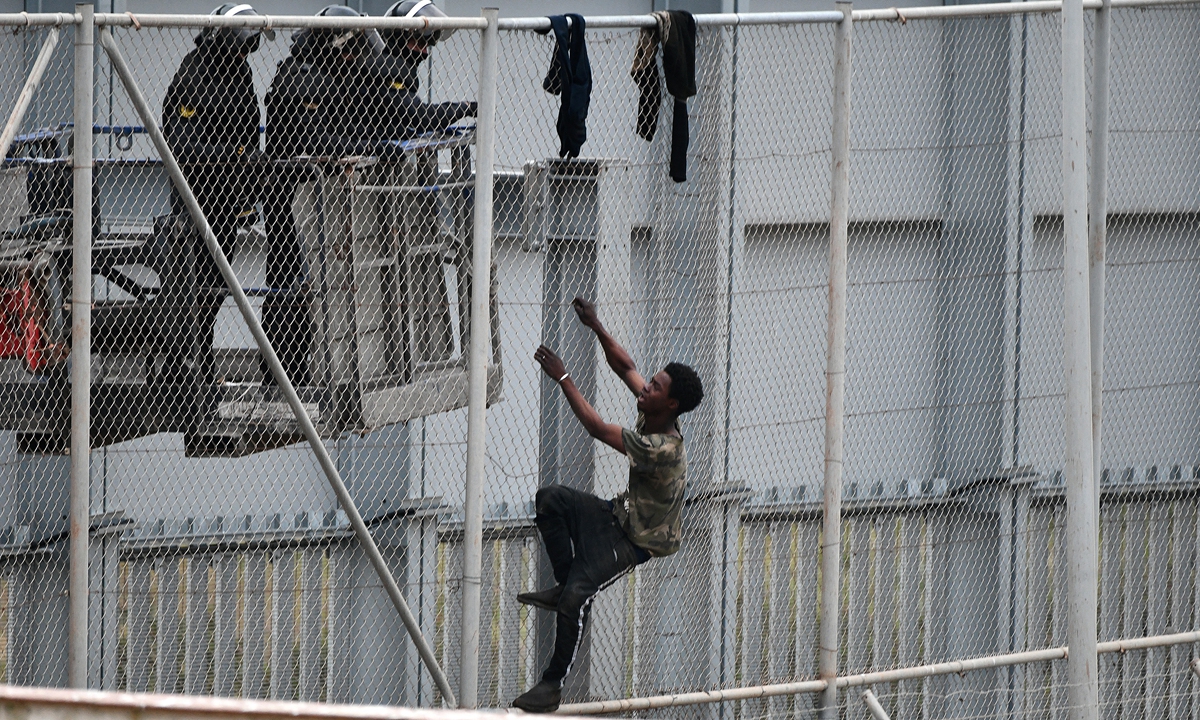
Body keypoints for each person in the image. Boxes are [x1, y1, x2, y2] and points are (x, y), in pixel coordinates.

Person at [514, 297, 704, 713]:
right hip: (619, 514)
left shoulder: (662, 446)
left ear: (670, 404)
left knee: (577, 597)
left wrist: (563, 376)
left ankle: (551, 687)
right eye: (651, 382)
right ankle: (565, 583)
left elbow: (597, 428)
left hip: (638, 540)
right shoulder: (653, 408)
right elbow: (625, 366)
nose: (646, 387)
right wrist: (597, 326)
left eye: (654, 387)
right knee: (552, 500)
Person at [161, 2, 270, 405]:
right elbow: (182, 145)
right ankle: (185, 373)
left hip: (227, 198)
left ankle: (202, 369)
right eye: (240, 45)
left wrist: (246, 188)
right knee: (192, 289)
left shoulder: (239, 73)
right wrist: (233, 157)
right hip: (195, 199)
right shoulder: (194, 74)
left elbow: (247, 130)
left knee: (217, 287)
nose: (245, 55)